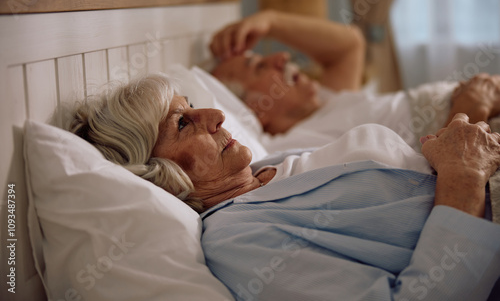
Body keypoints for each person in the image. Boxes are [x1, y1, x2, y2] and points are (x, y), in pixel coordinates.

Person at [70, 74, 500, 300]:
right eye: (182, 123)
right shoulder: (240, 241)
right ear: (158, 173)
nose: (216, 114)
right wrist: (464, 178)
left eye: (190, 105)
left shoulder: (267, 170)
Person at [208, 9, 500, 152]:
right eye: (259, 66)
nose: (281, 57)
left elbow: (350, 45)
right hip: (474, 117)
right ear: (255, 108)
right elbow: (433, 175)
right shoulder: (296, 146)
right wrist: (472, 108)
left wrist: (270, 21)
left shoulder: (323, 101)